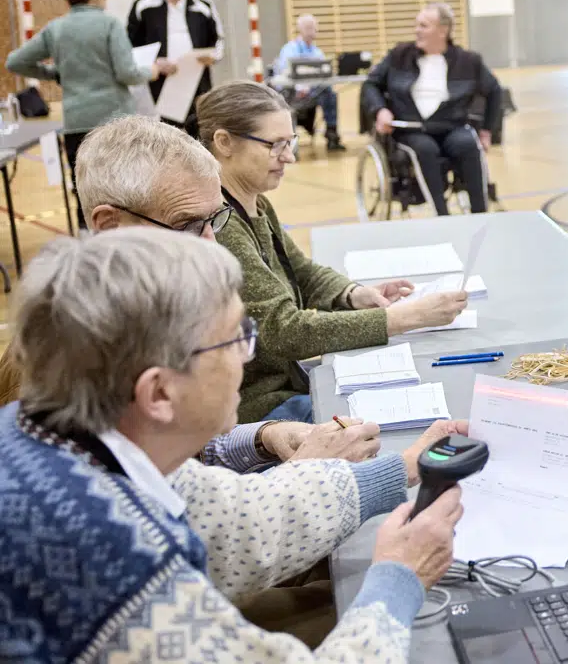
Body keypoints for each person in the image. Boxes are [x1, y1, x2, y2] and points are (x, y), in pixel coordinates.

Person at [0, 228, 468, 663]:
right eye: (235, 340)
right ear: (158, 393)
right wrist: (398, 580)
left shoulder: (71, 442)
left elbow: (237, 520)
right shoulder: (112, 564)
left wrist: (401, 468)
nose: (246, 358)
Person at [66, 114, 379, 470]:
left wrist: (263, 438)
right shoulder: (89, 357)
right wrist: (307, 472)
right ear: (110, 226)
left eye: (214, 221)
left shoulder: (153, 302)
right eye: (187, 226)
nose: (212, 245)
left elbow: (192, 454)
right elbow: (185, 499)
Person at [198, 81, 468, 423]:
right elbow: (285, 332)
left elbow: (302, 271)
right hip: (262, 405)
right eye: (275, 145)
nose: (289, 157)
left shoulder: (254, 202)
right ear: (224, 142)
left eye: (290, 142)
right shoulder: (219, 226)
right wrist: (405, 318)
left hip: (289, 381)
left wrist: (352, 294)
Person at [5, 0, 164, 221]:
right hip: (115, 121)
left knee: (86, 192)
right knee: (125, 187)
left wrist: (55, 73)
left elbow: (15, 62)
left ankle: (87, 238)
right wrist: (152, 70)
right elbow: (127, 73)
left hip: (76, 122)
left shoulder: (56, 28)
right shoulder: (109, 24)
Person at [362, 2, 502, 215]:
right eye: (417, 25)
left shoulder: (468, 61)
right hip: (412, 129)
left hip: (451, 126)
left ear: (443, 31)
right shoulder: (399, 55)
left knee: (468, 144)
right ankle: (441, 215)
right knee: (425, 149)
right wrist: (380, 110)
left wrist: (486, 131)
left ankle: (480, 214)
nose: (417, 30)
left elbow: (494, 91)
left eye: (424, 26)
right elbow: (370, 84)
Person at [126, 0, 225, 131]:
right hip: (159, 83)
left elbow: (218, 39)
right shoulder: (143, 5)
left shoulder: (202, 3)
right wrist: (154, 63)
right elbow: (131, 46)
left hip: (197, 80)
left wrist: (213, 57)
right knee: (167, 133)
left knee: (201, 129)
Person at [273, 13, 346, 152]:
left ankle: (332, 135)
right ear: (300, 29)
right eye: (307, 27)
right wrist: (300, 88)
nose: (311, 31)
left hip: (312, 93)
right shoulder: (290, 49)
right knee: (322, 92)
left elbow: (324, 73)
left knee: (329, 93)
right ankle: (291, 142)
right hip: (292, 94)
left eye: (313, 27)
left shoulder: (317, 51)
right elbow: (284, 74)